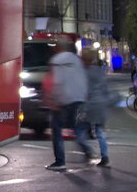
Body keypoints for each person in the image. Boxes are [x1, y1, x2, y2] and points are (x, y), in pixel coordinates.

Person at [43, 38, 88, 171]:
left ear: (58, 48)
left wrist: (53, 99)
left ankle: (60, 161)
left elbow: (57, 81)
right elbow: (82, 78)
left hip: (62, 100)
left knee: (56, 130)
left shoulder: (56, 61)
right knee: (77, 128)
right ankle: (87, 151)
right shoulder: (76, 59)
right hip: (78, 98)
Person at [74, 47, 110, 167]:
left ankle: (87, 150)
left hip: (87, 106)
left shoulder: (81, 72)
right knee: (100, 131)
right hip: (100, 105)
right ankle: (104, 156)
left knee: (80, 130)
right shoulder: (99, 71)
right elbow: (105, 89)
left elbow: (82, 90)